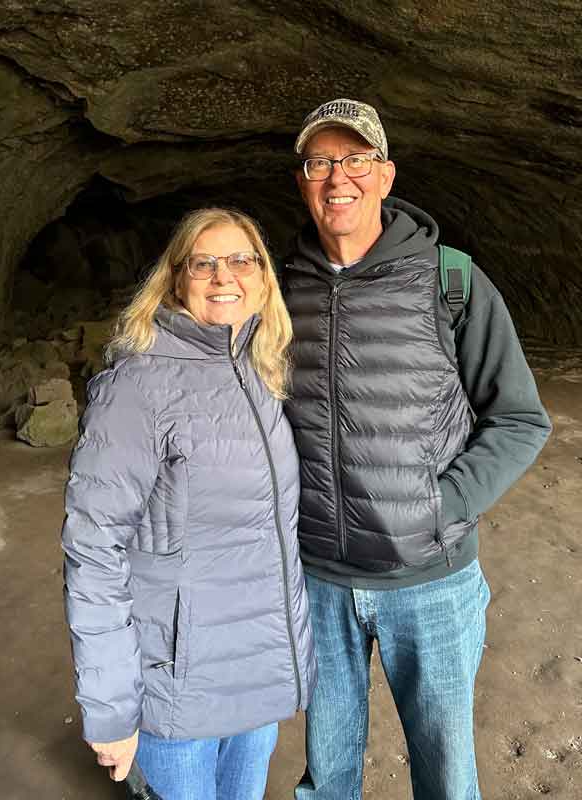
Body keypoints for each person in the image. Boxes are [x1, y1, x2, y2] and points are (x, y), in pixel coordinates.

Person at [282, 99, 552, 800]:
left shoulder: (450, 280)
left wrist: (441, 506)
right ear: (303, 181)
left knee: (445, 775)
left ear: (386, 175)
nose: (337, 176)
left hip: (431, 581)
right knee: (326, 774)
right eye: (320, 162)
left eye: (356, 159)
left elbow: (520, 420)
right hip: (318, 579)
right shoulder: (282, 290)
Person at [61, 208, 316, 800]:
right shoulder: (139, 383)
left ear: (262, 276)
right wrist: (111, 709)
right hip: (179, 686)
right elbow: (93, 547)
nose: (223, 275)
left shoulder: (261, 365)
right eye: (204, 262)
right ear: (175, 278)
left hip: (255, 673)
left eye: (241, 260)